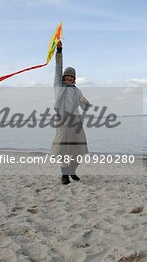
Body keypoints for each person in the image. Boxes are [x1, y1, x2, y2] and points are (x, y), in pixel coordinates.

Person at [51, 41, 90, 185]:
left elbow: (83, 106)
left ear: (74, 78)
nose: (69, 78)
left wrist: (86, 103)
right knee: (61, 149)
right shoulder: (59, 86)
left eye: (71, 77)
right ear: (63, 77)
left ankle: (72, 171)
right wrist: (59, 50)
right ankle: (64, 175)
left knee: (79, 151)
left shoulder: (77, 90)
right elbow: (58, 68)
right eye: (67, 76)